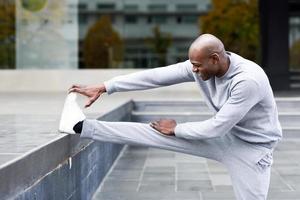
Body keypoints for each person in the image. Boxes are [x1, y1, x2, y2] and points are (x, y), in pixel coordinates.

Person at [59, 34, 282, 200]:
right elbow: (156, 76)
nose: (193, 70)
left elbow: (216, 128)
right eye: (192, 64)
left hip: (252, 151)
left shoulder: (247, 81)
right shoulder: (201, 64)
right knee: (149, 132)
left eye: (197, 65)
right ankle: (79, 126)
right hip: (226, 136)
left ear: (214, 59)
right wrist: (106, 86)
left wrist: (177, 128)